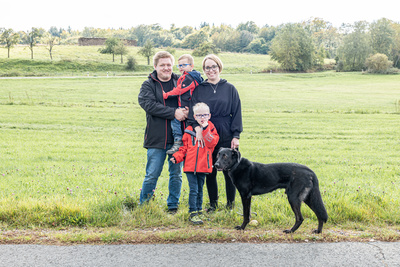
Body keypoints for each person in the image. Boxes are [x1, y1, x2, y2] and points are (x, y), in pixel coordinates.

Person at [188, 54, 243, 212]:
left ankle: (230, 205)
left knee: (229, 172)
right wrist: (197, 128)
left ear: (219, 67)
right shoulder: (199, 90)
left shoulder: (230, 88)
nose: (210, 70)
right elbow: (193, 113)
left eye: (213, 66)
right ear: (204, 70)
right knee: (210, 171)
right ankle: (213, 204)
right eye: (207, 67)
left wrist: (236, 135)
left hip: (226, 131)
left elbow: (237, 113)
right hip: (207, 133)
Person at [138, 51, 188, 214]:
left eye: (168, 64)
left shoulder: (180, 81)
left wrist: (187, 111)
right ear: (155, 66)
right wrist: (173, 112)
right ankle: (144, 206)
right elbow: (148, 105)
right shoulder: (148, 85)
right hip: (156, 138)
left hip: (178, 139)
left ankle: (173, 206)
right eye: (162, 65)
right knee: (152, 174)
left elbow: (190, 99)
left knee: (176, 174)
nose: (166, 68)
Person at [170, 102, 219, 224]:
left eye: (205, 115)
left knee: (200, 190)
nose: (202, 118)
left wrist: (205, 128)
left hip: (203, 165)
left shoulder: (211, 128)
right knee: (194, 190)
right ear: (194, 117)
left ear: (209, 116)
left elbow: (211, 143)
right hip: (190, 166)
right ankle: (193, 212)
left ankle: (199, 211)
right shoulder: (189, 130)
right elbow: (184, 148)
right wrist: (177, 157)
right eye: (199, 115)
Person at [164, 54, 203, 155]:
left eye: (184, 65)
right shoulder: (186, 77)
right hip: (187, 106)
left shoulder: (189, 78)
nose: (181, 68)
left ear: (191, 66)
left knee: (175, 120)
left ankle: (178, 141)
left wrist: (166, 95)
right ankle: (185, 147)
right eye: (179, 65)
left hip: (187, 106)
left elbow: (180, 90)